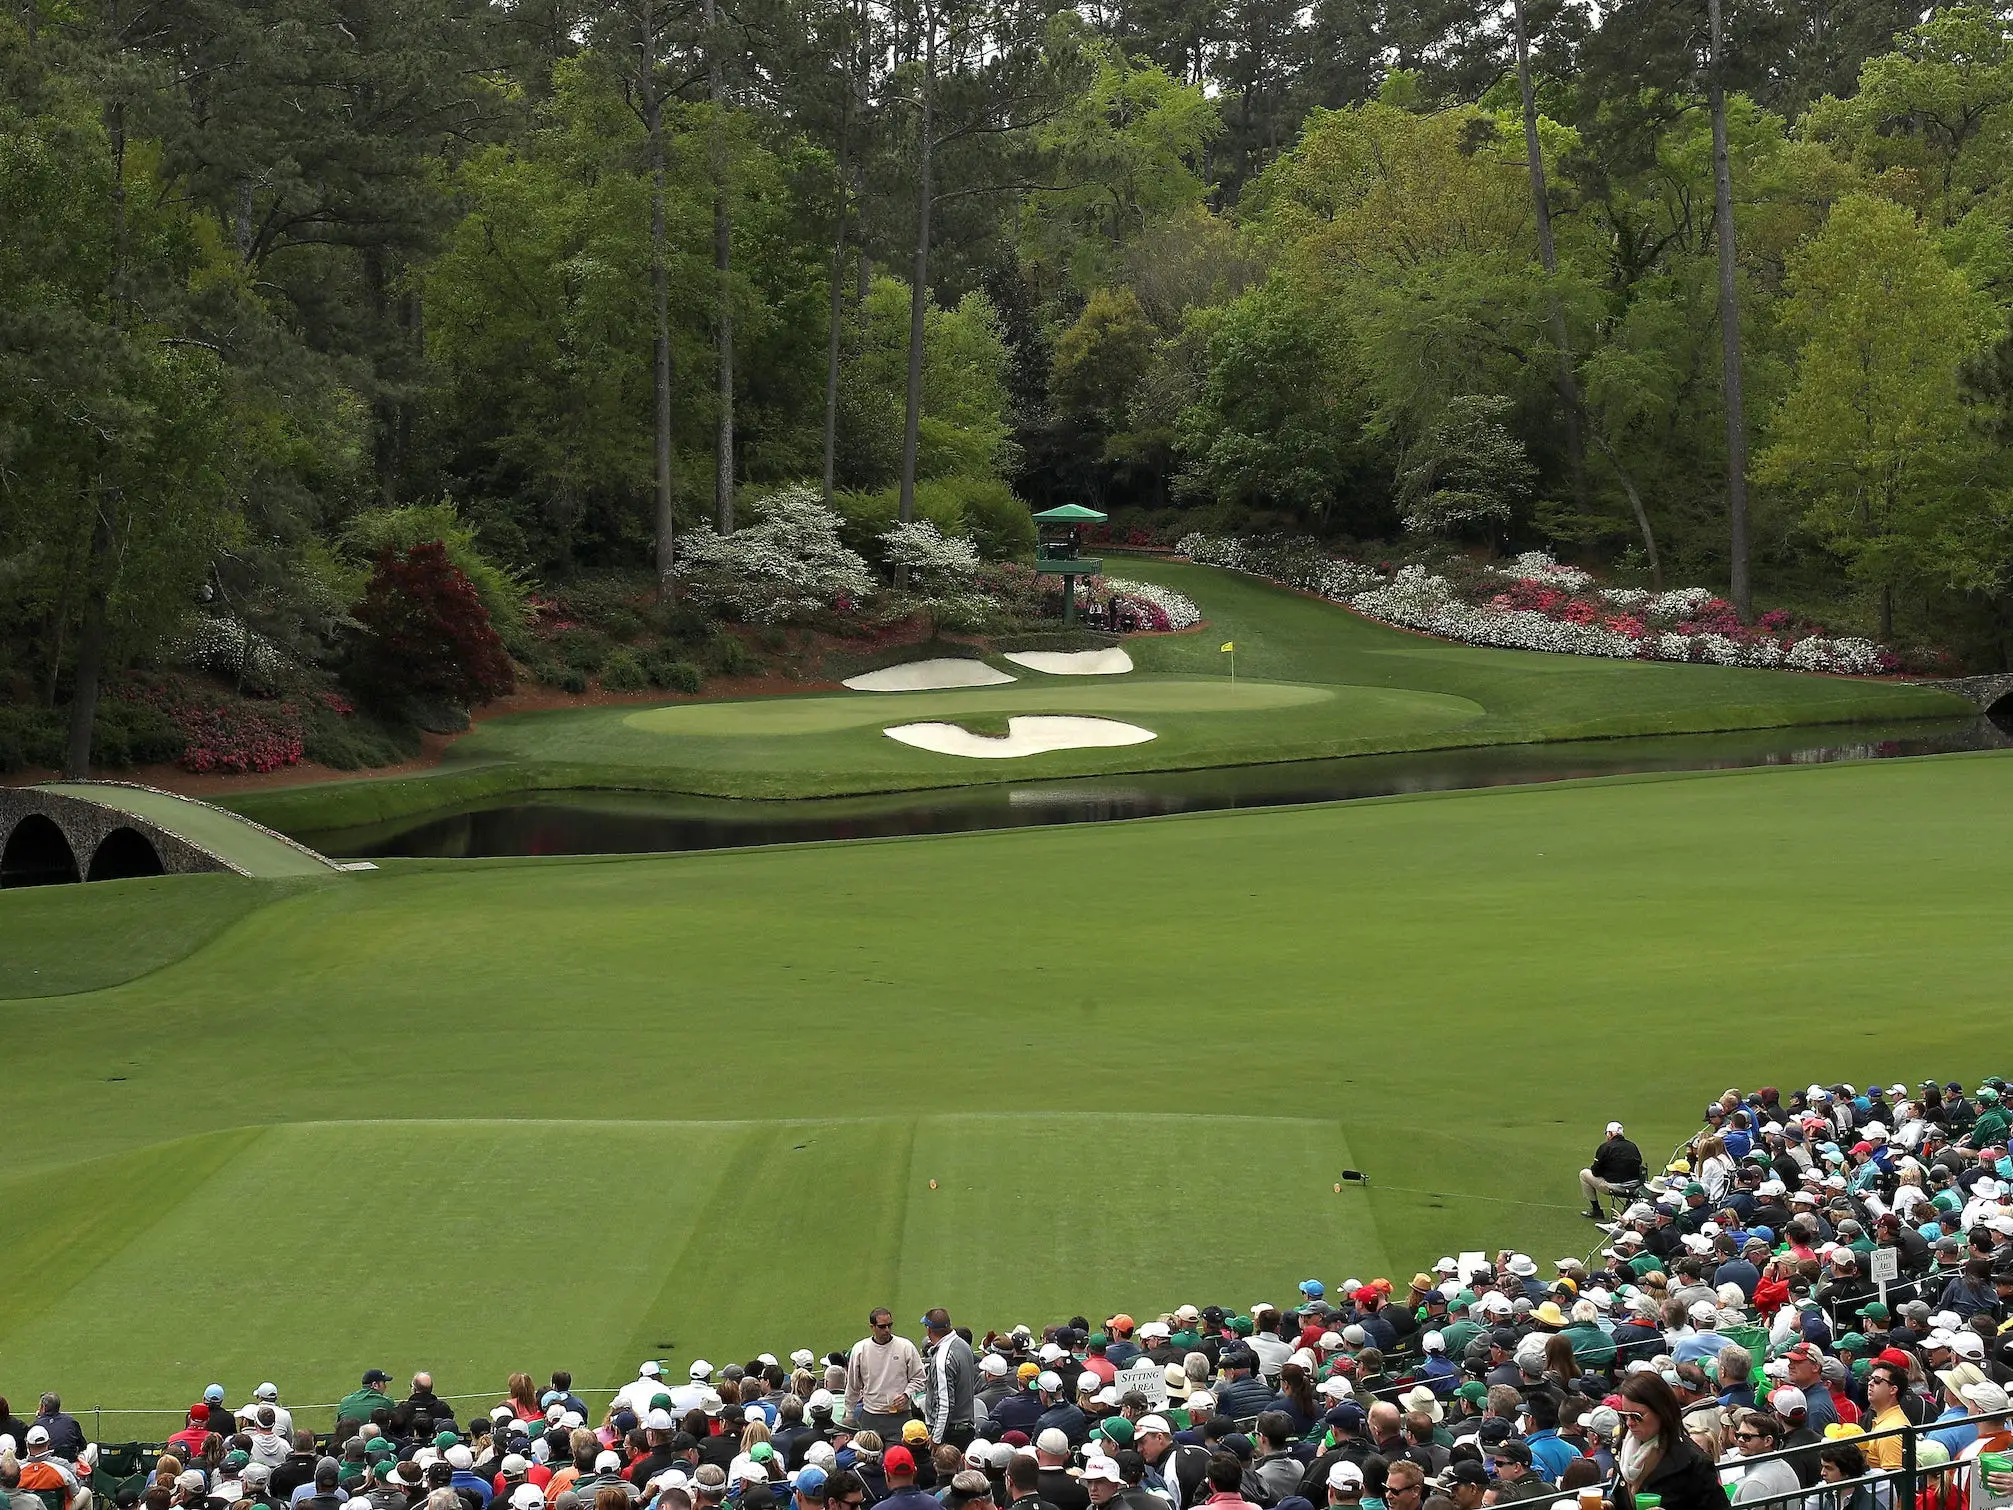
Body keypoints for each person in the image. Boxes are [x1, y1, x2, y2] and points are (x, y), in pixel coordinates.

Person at [1611, 1372, 1723, 1510]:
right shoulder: (1621, 1447)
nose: (1629, 1423)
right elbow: (1621, 1499)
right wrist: (1609, 1505)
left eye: (1636, 1416)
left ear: (1661, 1411)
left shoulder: (1694, 1461)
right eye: (1624, 1416)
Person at [848, 1312, 925, 1440]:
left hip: (900, 1416)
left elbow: (919, 1378)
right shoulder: (860, 1349)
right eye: (882, 1326)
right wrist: (849, 1415)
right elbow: (853, 1386)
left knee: (896, 1457)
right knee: (869, 1456)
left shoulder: (905, 1346)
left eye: (890, 1325)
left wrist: (906, 1394)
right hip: (871, 1415)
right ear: (872, 1327)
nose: (887, 1330)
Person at [922, 1311, 977, 1450]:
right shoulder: (963, 1345)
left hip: (949, 1433)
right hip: (965, 1429)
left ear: (929, 1330)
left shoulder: (942, 1358)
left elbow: (945, 1403)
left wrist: (936, 1438)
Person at [1729, 1413, 1799, 1507]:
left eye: (1747, 1437)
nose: (1740, 1440)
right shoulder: (1782, 1464)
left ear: (1767, 1441)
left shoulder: (1756, 1483)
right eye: (1738, 1435)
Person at [1585, 1123, 1647, 1219]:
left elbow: (1595, 1172)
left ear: (1610, 1134)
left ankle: (1596, 1210)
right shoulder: (1632, 1146)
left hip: (1616, 1187)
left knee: (1584, 1174)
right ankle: (1629, 1205)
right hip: (1635, 1186)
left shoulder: (1605, 1147)